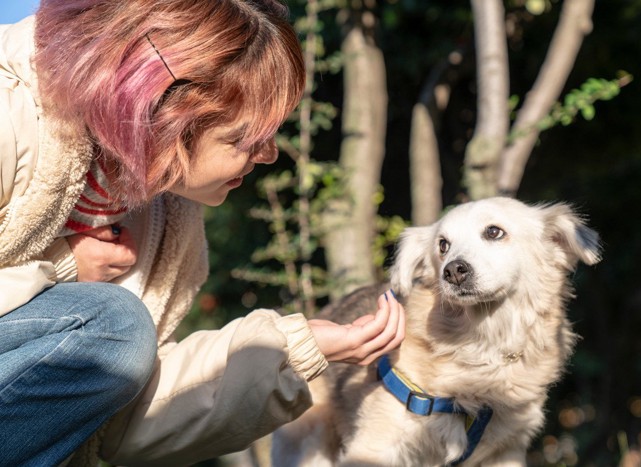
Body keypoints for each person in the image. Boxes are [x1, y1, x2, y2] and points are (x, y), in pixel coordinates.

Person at [0, 0, 406, 465]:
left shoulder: (167, 218)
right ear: (161, 109)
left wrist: (291, 351)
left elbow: (116, 414)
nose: (269, 155)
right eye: (245, 140)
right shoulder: (8, 115)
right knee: (113, 321)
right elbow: (109, 335)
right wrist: (64, 266)